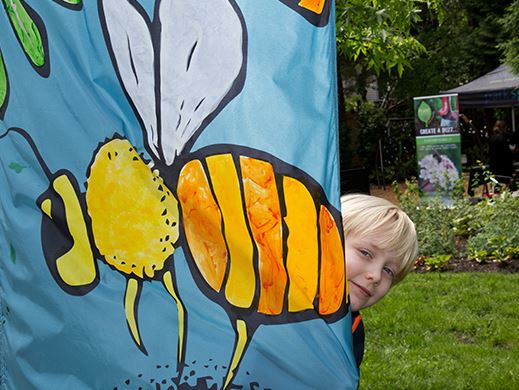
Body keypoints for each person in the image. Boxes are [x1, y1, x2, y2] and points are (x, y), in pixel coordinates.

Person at [340, 194, 419, 368]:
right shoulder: (271, 294)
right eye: (366, 253)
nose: (375, 276)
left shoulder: (352, 331)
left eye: (388, 270)